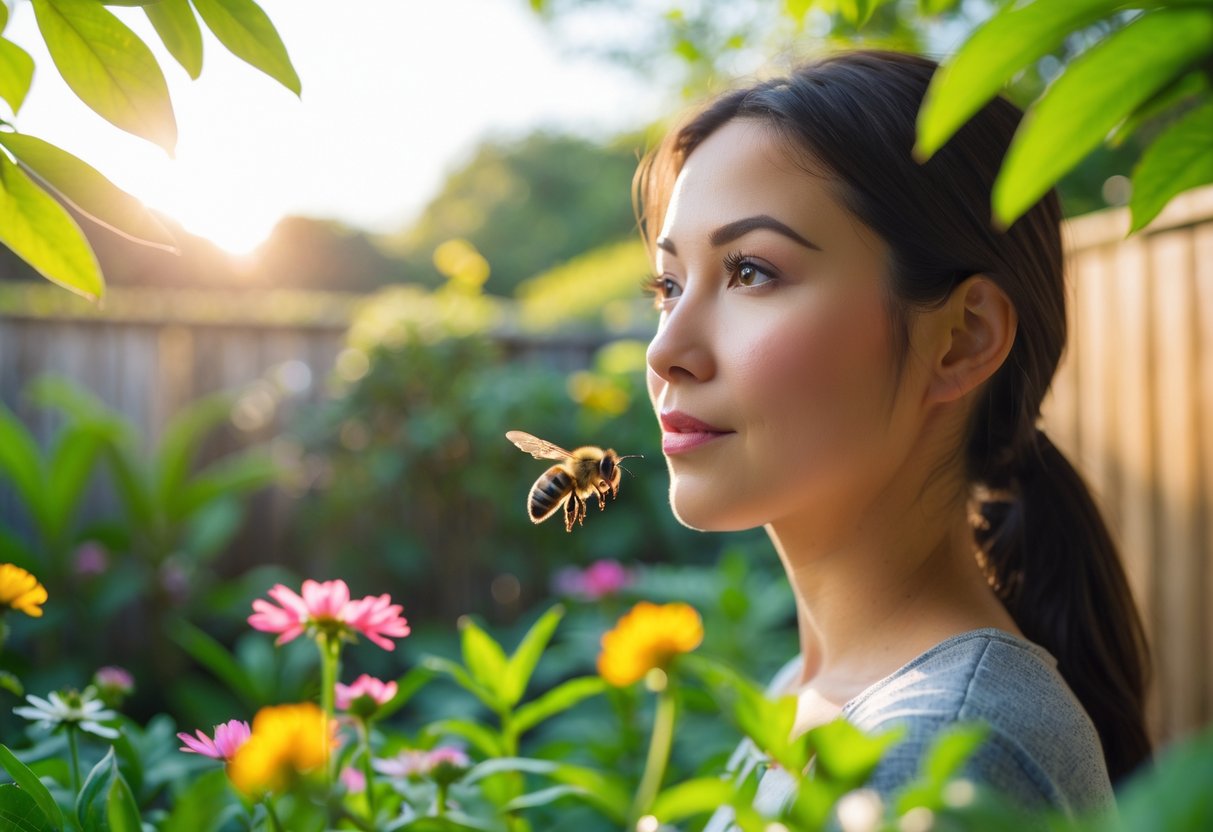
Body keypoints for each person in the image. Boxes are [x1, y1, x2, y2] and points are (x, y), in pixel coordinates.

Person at [634, 49, 1151, 827]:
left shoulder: (935, 755)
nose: (664, 349)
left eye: (750, 272)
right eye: (668, 286)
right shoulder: (806, 697)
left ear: (960, 339)